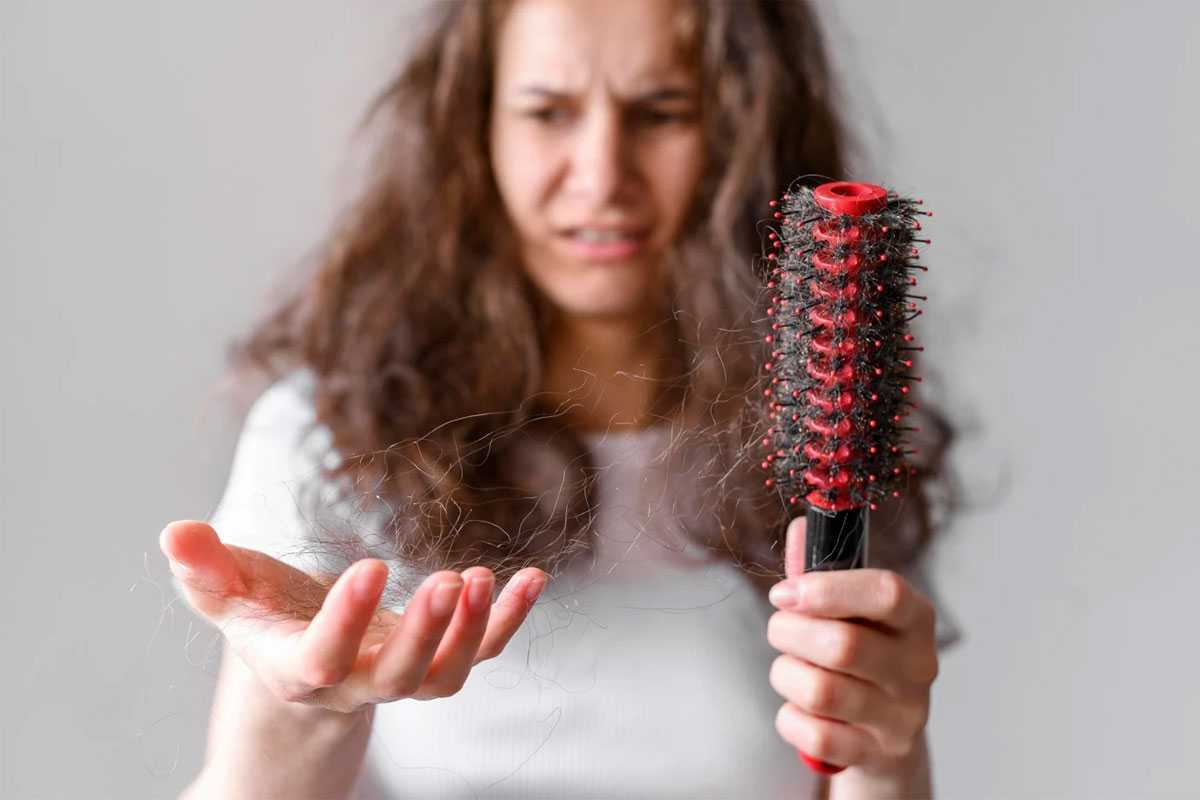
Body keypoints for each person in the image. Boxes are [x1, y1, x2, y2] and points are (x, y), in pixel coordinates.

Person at [161, 1, 958, 797]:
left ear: (743, 131)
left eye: (661, 112)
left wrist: (886, 755)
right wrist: (305, 706)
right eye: (548, 113)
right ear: (476, 128)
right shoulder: (330, 439)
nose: (602, 175)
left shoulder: (829, 441)